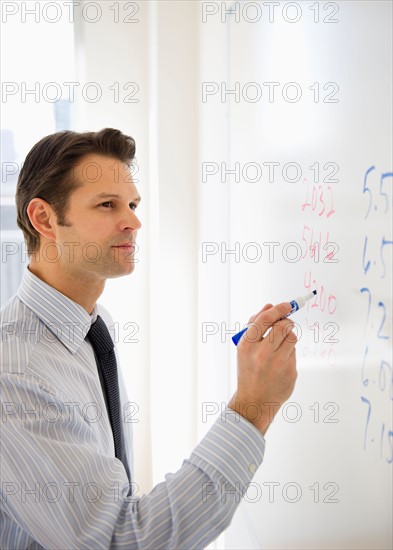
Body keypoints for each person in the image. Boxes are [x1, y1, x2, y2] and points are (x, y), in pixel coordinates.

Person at [0, 128, 298, 549]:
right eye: (108, 205)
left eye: (133, 205)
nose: (134, 222)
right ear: (45, 219)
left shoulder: (90, 326)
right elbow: (121, 540)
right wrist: (252, 407)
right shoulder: (16, 372)